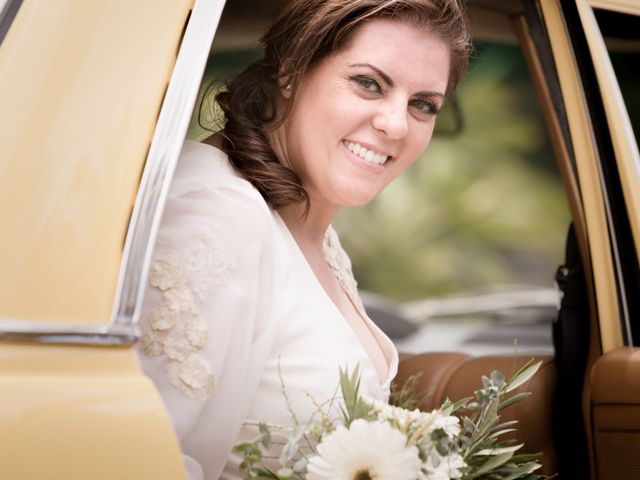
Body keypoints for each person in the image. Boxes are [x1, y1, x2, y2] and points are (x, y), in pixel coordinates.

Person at [137, 0, 470, 478]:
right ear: (292, 68)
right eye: (369, 84)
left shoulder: (314, 233)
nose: (396, 124)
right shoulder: (218, 217)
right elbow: (147, 456)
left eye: (423, 105)